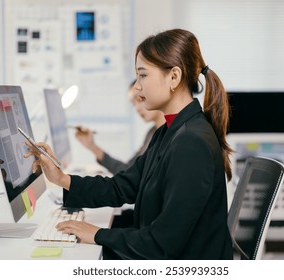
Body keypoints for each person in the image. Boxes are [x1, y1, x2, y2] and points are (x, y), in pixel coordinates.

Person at [25, 28, 233, 260]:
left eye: (143, 75)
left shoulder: (191, 142)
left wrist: (98, 234)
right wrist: (61, 179)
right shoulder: (169, 131)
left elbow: (162, 244)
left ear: (174, 77)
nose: (137, 86)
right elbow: (123, 186)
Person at [74, 81, 165, 175]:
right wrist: (92, 146)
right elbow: (128, 170)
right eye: (133, 104)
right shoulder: (152, 133)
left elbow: (132, 176)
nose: (137, 108)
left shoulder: (171, 137)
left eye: (140, 100)